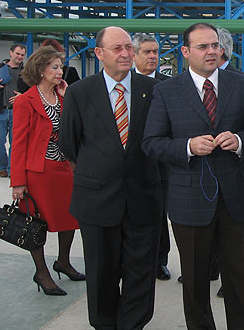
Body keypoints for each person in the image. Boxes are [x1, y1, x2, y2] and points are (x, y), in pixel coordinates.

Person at [143, 22, 244, 330]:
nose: (212, 51)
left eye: (215, 45)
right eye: (203, 46)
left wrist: (239, 141)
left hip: (235, 196)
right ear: (186, 52)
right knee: (196, 279)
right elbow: (151, 142)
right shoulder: (166, 91)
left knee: (240, 275)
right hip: (189, 199)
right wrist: (187, 146)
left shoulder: (242, 85)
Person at [59, 26, 162, 330]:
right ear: (99, 53)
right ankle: (105, 324)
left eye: (129, 47)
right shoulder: (80, 92)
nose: (126, 53)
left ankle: (132, 324)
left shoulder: (154, 90)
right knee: (101, 271)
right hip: (96, 198)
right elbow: (69, 143)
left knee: (140, 272)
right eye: (117, 48)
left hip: (143, 196)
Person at [10, 46, 85, 297]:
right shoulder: (25, 101)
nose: (60, 71)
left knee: (69, 219)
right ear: (41, 70)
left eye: (60, 67)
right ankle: (41, 272)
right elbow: (18, 143)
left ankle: (63, 262)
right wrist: (18, 181)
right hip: (38, 172)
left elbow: (77, 128)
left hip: (64, 168)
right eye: (55, 67)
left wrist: (68, 96)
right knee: (36, 223)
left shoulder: (64, 96)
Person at [132, 33, 172, 282]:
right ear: (134, 55)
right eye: (146, 52)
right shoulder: (126, 84)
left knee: (159, 212)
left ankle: (160, 260)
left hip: (160, 162)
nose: (152, 56)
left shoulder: (168, 85)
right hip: (132, 161)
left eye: (155, 51)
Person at [0, 43, 27, 178]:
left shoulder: (26, 72)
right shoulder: (0, 68)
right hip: (2, 110)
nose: (20, 57)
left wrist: (23, 96)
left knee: (15, 143)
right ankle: (3, 167)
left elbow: (33, 90)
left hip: (17, 111)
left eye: (22, 55)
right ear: (10, 53)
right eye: (17, 54)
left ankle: (11, 170)